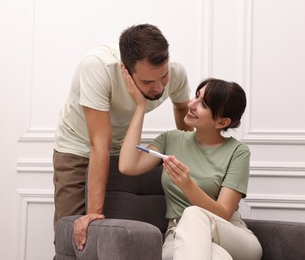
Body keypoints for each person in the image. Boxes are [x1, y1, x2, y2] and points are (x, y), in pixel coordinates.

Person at [53, 23, 193, 250]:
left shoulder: (176, 71)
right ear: (125, 70)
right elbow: (99, 144)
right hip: (77, 144)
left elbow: (181, 109)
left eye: (163, 77)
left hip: (121, 147)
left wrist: (193, 157)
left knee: (112, 231)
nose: (158, 88)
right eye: (148, 82)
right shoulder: (97, 68)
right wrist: (93, 214)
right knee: (73, 234)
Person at [119, 75, 263, 260]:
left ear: (222, 122)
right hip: (178, 235)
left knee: (193, 213)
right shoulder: (169, 139)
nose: (191, 104)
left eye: (203, 104)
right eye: (196, 96)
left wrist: (187, 184)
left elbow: (223, 213)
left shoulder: (238, 152)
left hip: (230, 233)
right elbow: (127, 166)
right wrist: (140, 107)